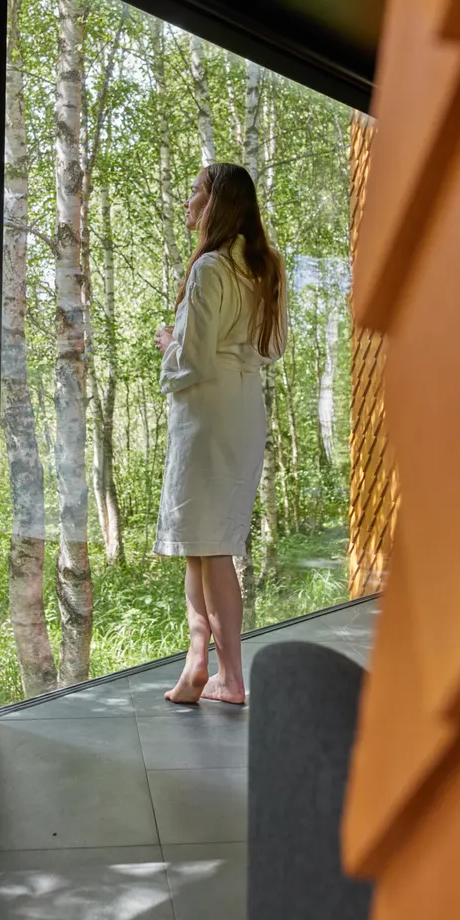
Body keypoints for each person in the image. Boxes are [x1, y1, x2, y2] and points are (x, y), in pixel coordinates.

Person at [153, 161, 287, 705]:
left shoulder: (210, 268)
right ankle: (196, 669)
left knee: (208, 548)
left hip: (207, 417)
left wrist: (169, 344)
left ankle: (227, 677)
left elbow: (194, 359)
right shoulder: (266, 267)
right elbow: (271, 349)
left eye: (196, 194)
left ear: (217, 204)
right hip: (243, 409)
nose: (189, 203)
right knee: (207, 545)